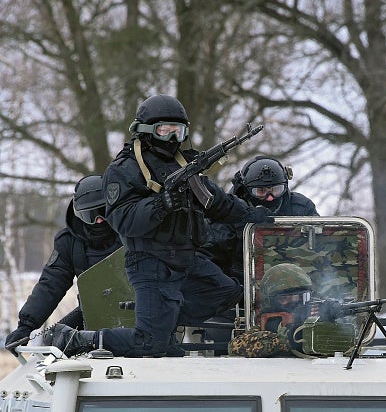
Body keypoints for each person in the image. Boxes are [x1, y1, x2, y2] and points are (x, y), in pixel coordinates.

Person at [42, 94, 272, 358]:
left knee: (226, 292)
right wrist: (161, 204)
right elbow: (124, 220)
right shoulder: (124, 170)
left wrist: (252, 216)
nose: (173, 139)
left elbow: (217, 202)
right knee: (150, 343)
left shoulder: (183, 164)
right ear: (147, 131)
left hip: (187, 259)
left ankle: (163, 321)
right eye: (165, 131)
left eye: (179, 131)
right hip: (150, 263)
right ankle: (81, 339)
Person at [4, 175, 122, 356]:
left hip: (142, 309)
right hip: (92, 313)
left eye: (103, 211)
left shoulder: (133, 233)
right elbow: (51, 282)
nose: (99, 220)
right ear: (79, 214)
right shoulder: (69, 242)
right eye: (91, 215)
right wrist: (27, 325)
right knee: (54, 343)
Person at [204, 156, 319, 280]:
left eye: (276, 189)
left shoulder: (302, 208)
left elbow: (320, 243)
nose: (270, 197)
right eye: (261, 191)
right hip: (245, 287)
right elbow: (209, 263)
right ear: (246, 190)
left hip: (296, 283)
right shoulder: (228, 215)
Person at [228, 263, 313, 358]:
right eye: (285, 299)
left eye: (302, 297)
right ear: (269, 301)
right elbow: (235, 347)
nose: (296, 304)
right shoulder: (267, 326)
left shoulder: (315, 318)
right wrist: (285, 339)